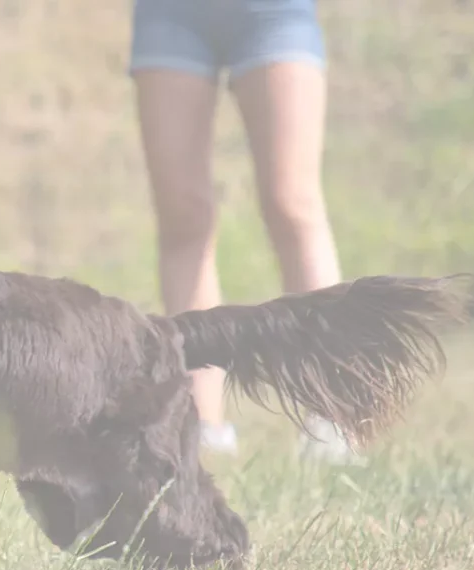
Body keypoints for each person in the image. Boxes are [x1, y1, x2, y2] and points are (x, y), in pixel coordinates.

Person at [128, 0, 362, 464]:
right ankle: (202, 427)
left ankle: (331, 417)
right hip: (170, 14)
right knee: (183, 218)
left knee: (292, 204)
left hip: (272, 12)